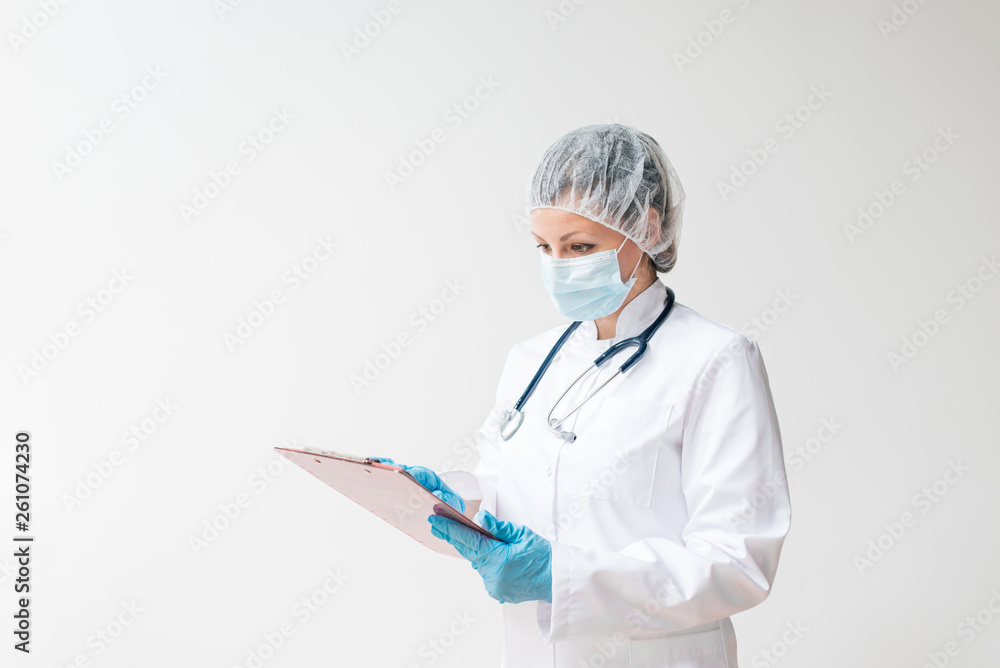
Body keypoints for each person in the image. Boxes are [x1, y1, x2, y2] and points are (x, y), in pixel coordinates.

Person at [381, 123, 791, 667]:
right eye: (544, 247)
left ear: (645, 228)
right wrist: (456, 502)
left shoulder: (715, 359)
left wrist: (563, 577)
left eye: (579, 246)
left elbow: (738, 561)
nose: (559, 264)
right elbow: (517, 488)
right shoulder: (531, 360)